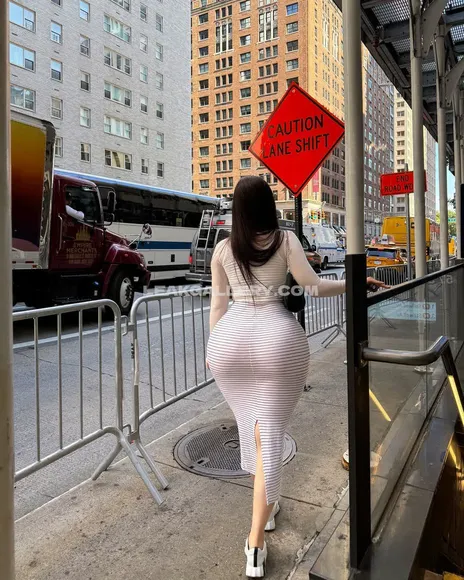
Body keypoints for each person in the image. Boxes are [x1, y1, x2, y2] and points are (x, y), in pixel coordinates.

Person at [206, 176, 387, 578]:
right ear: (268, 206)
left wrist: (212, 348)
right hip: (277, 340)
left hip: (228, 342)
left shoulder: (222, 248)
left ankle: (266, 510)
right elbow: (314, 287)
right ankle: (255, 543)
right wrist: (356, 281)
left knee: (253, 430)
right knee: (268, 436)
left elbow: (218, 306)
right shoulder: (285, 240)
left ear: (237, 210)